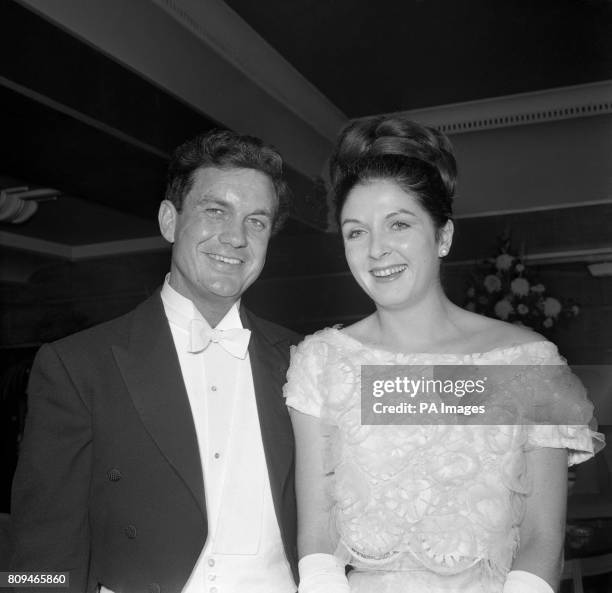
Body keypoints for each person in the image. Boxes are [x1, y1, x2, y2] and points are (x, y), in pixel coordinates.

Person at [284, 116, 604, 593]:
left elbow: (543, 540)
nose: (377, 250)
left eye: (399, 224)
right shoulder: (322, 364)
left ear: (443, 236)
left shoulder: (525, 363)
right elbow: (316, 537)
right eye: (356, 232)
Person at [10, 130, 300, 593]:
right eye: (214, 211)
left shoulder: (304, 359)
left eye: (257, 222)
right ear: (170, 220)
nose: (235, 237)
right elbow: (38, 552)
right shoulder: (78, 366)